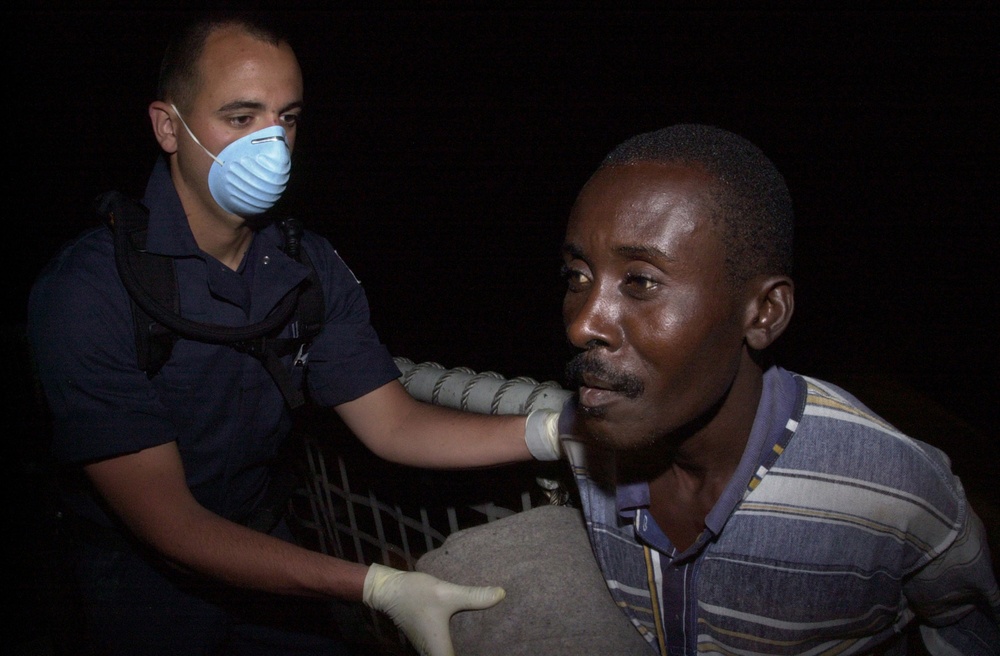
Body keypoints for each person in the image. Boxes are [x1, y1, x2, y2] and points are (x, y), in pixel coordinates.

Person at [27, 12, 562, 656]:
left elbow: (394, 425)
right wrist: (378, 587)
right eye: (242, 117)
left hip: (271, 555)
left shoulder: (308, 266)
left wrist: (554, 433)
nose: (272, 144)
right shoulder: (87, 291)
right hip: (141, 583)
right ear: (169, 127)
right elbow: (169, 523)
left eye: (288, 117)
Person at [556, 123, 1000, 654]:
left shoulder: (894, 487)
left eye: (641, 281)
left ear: (764, 312)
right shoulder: (592, 431)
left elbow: (966, 624)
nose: (582, 324)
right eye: (577, 275)